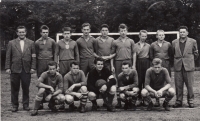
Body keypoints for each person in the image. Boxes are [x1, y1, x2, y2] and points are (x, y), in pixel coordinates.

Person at [5, 26, 36, 112]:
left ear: (25, 32)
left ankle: (26, 105)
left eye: (23, 32)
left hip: (26, 69)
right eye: (20, 32)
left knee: (26, 88)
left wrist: (33, 67)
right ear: (17, 33)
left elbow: (34, 56)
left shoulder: (31, 43)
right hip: (15, 69)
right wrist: (7, 67)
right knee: (14, 89)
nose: (21, 33)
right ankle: (15, 105)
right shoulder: (11, 43)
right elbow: (8, 56)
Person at [172, 26, 199, 108]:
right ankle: (178, 101)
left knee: (190, 85)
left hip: (189, 66)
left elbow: (196, 54)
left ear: (187, 33)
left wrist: (189, 60)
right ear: (179, 33)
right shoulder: (174, 42)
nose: (182, 33)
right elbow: (172, 53)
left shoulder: (193, 41)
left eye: (184, 32)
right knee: (178, 85)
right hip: (178, 66)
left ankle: (190, 101)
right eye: (181, 32)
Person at [111, 23, 136, 108]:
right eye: (121, 31)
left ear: (127, 31)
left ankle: (130, 100)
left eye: (124, 30)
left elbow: (134, 53)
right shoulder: (115, 42)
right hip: (118, 62)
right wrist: (112, 65)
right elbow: (112, 54)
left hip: (128, 61)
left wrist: (134, 64)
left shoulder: (131, 41)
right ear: (119, 32)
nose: (123, 32)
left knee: (129, 80)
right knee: (119, 81)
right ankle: (119, 101)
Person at [35, 25, 57, 109]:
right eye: (43, 32)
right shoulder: (37, 42)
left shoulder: (52, 41)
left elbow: (55, 53)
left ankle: (51, 102)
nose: (45, 34)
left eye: (46, 32)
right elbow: (36, 54)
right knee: (41, 81)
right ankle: (40, 101)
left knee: (51, 81)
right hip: (41, 62)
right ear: (40, 33)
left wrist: (55, 64)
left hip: (50, 61)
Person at [149, 30, 173, 107]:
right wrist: (155, 63)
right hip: (156, 66)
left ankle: (166, 101)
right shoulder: (153, 45)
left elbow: (171, 54)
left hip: (166, 64)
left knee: (166, 82)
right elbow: (151, 56)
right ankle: (157, 100)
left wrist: (168, 63)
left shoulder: (168, 44)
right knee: (156, 81)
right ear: (157, 36)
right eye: (159, 35)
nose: (161, 36)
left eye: (162, 35)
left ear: (164, 36)